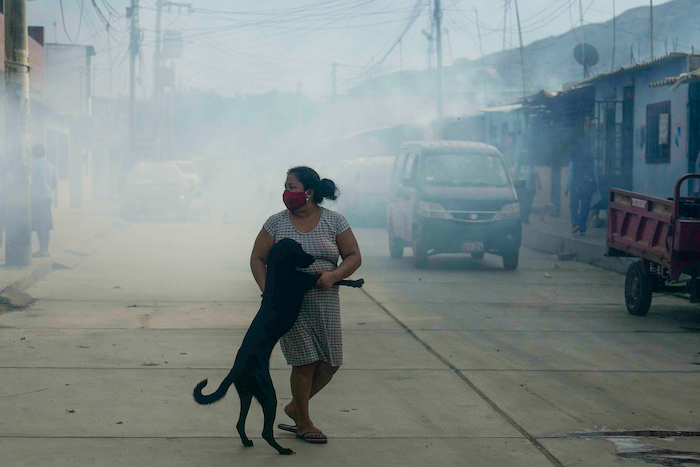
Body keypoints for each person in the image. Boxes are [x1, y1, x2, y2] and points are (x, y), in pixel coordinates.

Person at [250, 166, 362, 444]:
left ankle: (294, 408)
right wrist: (270, 291)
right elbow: (257, 258)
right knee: (304, 362)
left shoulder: (335, 221)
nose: (287, 193)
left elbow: (353, 256)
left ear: (309, 193)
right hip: (289, 304)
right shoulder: (276, 223)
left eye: (293, 187)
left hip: (325, 299)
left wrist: (334, 275)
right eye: (286, 186)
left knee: (331, 360)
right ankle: (304, 421)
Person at [30, 144, 57, 257]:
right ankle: (46, 249)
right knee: (46, 223)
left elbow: (30, 181)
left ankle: (42, 250)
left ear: (34, 153)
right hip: (47, 198)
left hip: (37, 198)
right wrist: (48, 190)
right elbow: (55, 181)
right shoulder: (49, 165)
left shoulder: (34, 164)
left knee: (40, 224)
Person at [565, 152, 599, 236]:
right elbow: (595, 176)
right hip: (588, 189)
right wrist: (596, 188)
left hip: (576, 188)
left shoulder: (573, 162)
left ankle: (575, 224)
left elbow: (570, 175)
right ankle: (583, 228)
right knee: (585, 208)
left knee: (573, 206)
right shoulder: (591, 163)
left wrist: (567, 188)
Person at [514, 153, 541, 224]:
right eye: (523, 156)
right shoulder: (518, 166)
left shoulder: (532, 166)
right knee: (522, 204)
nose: (525, 158)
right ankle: (523, 218)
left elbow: (537, 175)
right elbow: (514, 176)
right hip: (521, 189)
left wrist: (539, 184)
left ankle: (526, 216)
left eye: (526, 156)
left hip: (530, 189)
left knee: (528, 205)